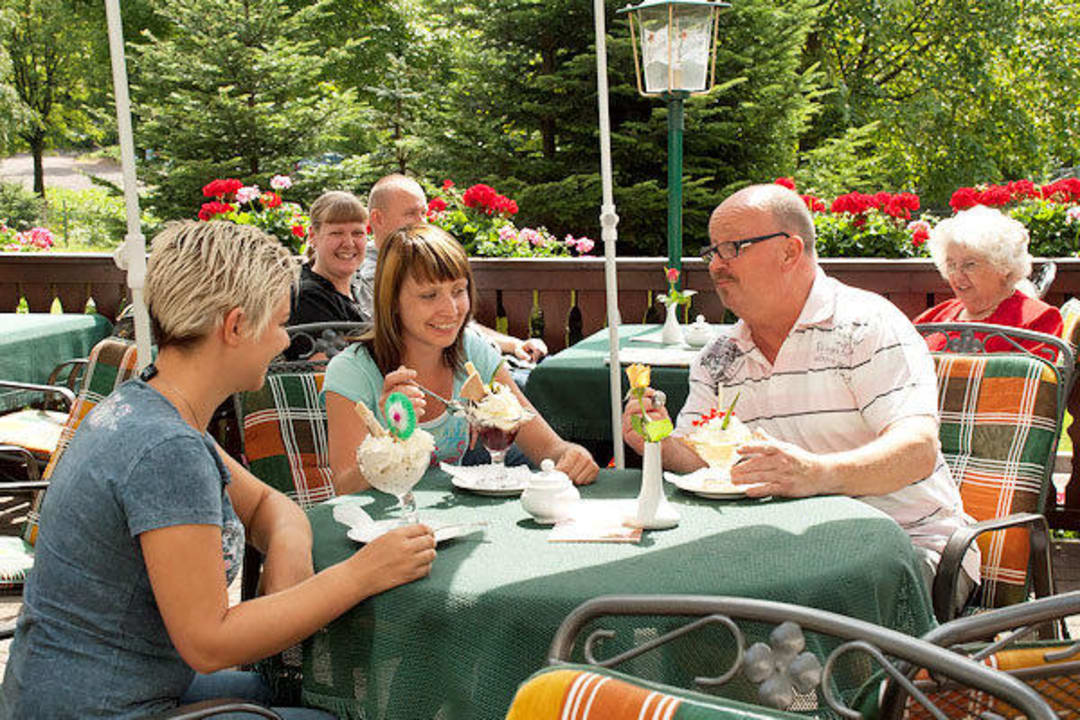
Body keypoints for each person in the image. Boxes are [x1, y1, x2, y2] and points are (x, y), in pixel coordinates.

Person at [0, 220, 436, 719]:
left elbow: (267, 504)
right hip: (101, 710)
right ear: (233, 327)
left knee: (333, 695)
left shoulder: (149, 406)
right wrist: (361, 574)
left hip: (83, 688)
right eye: (277, 323)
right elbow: (211, 642)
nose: (281, 342)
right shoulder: (165, 448)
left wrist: (290, 539)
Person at [621, 183, 978, 613]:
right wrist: (657, 442)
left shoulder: (865, 327)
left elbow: (916, 451)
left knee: (773, 625)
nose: (716, 266)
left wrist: (815, 473)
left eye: (732, 248)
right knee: (667, 598)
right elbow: (702, 460)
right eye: (712, 251)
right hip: (776, 551)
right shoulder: (720, 356)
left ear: (789, 252)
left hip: (904, 549)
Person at [325, 222, 598, 494]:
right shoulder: (352, 371)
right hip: (382, 528)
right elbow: (344, 487)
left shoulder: (472, 351)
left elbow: (548, 448)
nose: (451, 309)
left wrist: (572, 456)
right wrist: (392, 441)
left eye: (458, 290)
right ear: (392, 302)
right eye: (429, 295)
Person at [359, 174, 548, 370]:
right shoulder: (372, 273)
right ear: (378, 218)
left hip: (485, 362)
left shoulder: (420, 262)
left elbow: (457, 323)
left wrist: (514, 344)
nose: (422, 222)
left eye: (424, 213)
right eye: (411, 214)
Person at [914, 205, 1063, 358]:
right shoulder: (933, 317)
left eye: (970, 264)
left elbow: (1032, 379)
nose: (957, 276)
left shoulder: (1038, 319)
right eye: (951, 265)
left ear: (1003, 266)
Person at [289, 190, 370, 326]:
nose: (349, 243)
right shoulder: (307, 299)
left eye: (357, 233)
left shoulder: (362, 288)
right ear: (313, 236)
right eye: (337, 233)